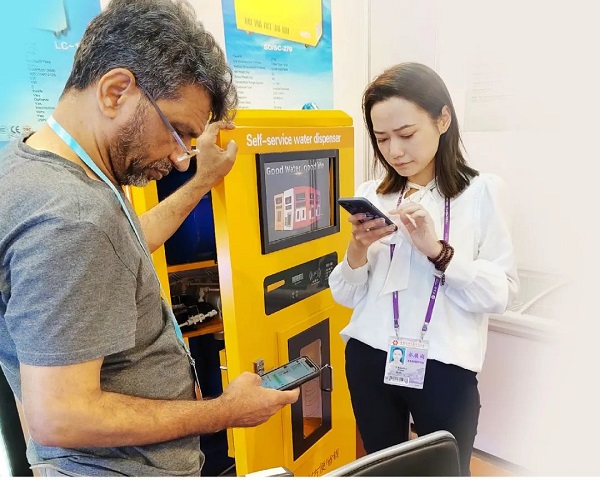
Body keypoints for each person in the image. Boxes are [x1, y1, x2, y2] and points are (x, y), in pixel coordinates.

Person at [0, 0, 299, 476]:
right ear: (116, 91)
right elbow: (61, 416)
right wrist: (226, 411)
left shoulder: (38, 168)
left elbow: (119, 249)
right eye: (178, 132)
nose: (181, 158)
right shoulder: (74, 218)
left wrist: (203, 181)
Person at [328, 62, 518, 476]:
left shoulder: (481, 193)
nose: (394, 151)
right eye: (382, 139)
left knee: (447, 469)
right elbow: (345, 294)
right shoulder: (373, 194)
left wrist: (438, 252)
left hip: (444, 366)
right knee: (383, 469)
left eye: (406, 134)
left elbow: (500, 294)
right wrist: (357, 248)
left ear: (443, 119)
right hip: (369, 356)